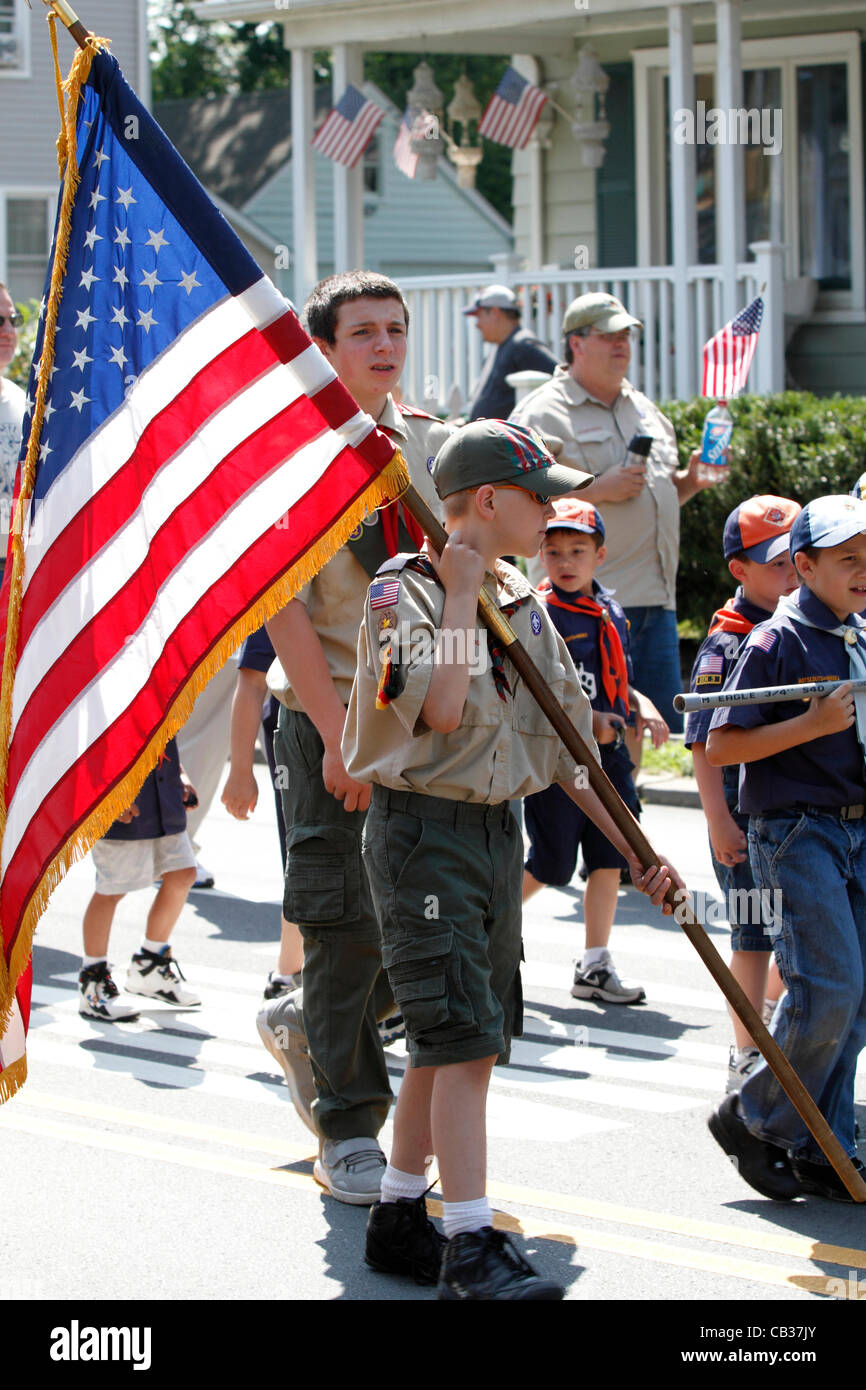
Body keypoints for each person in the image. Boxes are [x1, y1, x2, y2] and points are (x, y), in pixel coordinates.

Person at [344, 419, 681, 1298]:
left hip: (497, 833)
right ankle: (468, 1242)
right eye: (540, 497)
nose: (554, 513)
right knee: (459, 1040)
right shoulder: (404, 592)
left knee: (463, 1032)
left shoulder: (522, 602)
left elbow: (569, 748)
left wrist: (637, 849)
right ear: (488, 502)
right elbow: (445, 711)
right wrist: (460, 595)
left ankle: (398, 1210)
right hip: (425, 831)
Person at [261, 270, 452, 1203]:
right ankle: (346, 1124)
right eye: (363, 332)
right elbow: (284, 611)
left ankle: (311, 1026)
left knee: (421, 919)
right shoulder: (296, 453)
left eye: (395, 329)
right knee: (346, 924)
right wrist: (339, 740)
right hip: (329, 718)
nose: (383, 345)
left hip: (423, 724)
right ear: (325, 350)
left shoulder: (426, 443)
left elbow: (462, 582)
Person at [705, 495, 866, 1202]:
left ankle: (820, 1144)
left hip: (857, 827)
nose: (863, 570)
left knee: (859, 998)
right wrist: (811, 722)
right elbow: (721, 742)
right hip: (797, 830)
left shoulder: (858, 633)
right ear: (803, 566)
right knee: (826, 987)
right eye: (847, 558)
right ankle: (752, 1115)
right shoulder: (776, 641)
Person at [510, 291, 724, 735]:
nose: (621, 344)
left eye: (626, 334)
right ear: (577, 343)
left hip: (654, 602)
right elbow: (520, 501)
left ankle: (632, 807)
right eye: (609, 335)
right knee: (585, 733)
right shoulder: (542, 411)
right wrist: (598, 489)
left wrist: (691, 481)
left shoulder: (643, 408)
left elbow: (657, 496)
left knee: (647, 729)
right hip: (576, 607)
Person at [522, 498, 669, 1004]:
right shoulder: (536, 613)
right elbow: (534, 696)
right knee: (550, 864)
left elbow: (617, 681)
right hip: (560, 763)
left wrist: (641, 706)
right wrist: (591, 723)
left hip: (611, 760)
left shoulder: (610, 610)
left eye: (577, 550)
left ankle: (595, 964)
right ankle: (484, 931)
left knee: (610, 860)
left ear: (600, 556)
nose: (564, 561)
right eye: (553, 550)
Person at [685, 497, 798, 1092]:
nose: (792, 575)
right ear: (741, 570)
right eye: (778, 564)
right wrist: (717, 821)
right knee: (754, 933)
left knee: (794, 931)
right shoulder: (727, 643)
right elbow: (703, 743)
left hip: (792, 811)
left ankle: (771, 1016)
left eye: (798, 561)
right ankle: (746, 1055)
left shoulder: (804, 629)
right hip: (740, 812)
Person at [79, 737, 200, 1021]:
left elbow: (164, 728)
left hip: (163, 789)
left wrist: (180, 774)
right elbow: (90, 733)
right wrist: (110, 791)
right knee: (111, 888)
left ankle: (150, 964)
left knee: (183, 873)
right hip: (118, 792)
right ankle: (92, 982)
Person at [463, 285, 557, 422]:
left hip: (505, 441)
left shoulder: (522, 345)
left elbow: (560, 378)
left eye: (479, 316)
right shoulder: (503, 346)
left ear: (495, 312)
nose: (477, 324)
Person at [0, 284, 26, 587]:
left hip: (14, 568)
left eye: (13, 319)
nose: (8, 330)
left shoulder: (23, 402)